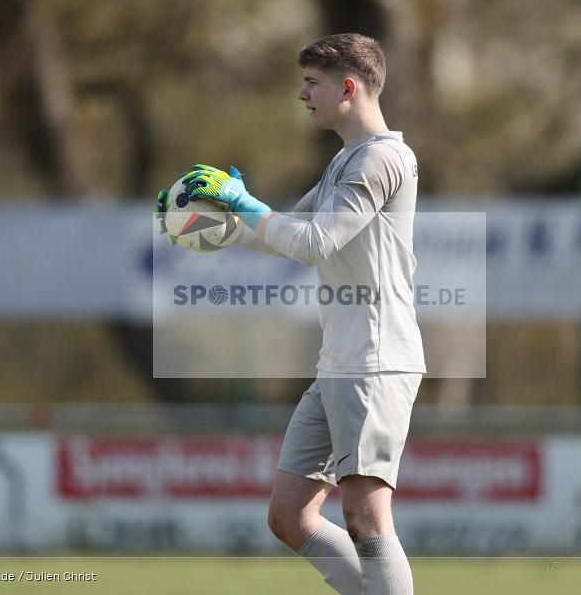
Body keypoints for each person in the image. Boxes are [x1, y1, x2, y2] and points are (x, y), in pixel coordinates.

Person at [170, 33, 425, 595]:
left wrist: (245, 205)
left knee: (366, 517)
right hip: (340, 363)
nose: (302, 94)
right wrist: (217, 227)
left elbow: (313, 244)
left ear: (348, 88)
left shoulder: (381, 158)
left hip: (375, 361)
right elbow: (290, 232)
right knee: (290, 515)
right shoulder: (347, 160)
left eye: (312, 82)